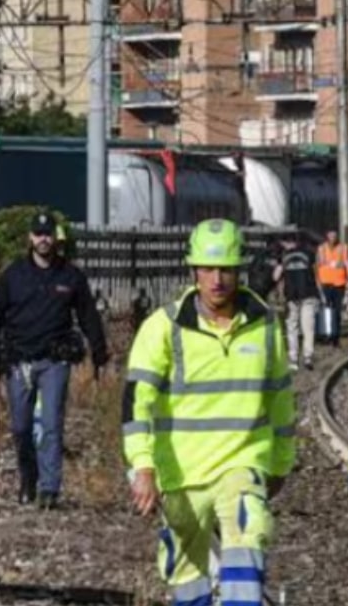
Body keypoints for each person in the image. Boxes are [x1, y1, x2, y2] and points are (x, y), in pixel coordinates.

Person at [123, 218, 294, 606]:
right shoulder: (163, 328)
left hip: (242, 460)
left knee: (247, 532)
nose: (217, 280)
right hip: (181, 471)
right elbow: (136, 402)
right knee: (185, 575)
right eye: (208, 269)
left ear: (240, 271)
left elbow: (281, 399)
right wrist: (144, 466)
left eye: (227, 270)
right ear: (193, 271)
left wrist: (281, 462)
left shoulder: (265, 325)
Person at [0, 210, 110, 509]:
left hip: (55, 360)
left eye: (48, 234)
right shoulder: (13, 276)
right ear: (30, 238)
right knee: (22, 428)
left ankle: (50, 489)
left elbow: (88, 315)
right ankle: (29, 478)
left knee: (51, 423)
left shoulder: (70, 276)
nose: (43, 240)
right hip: (18, 362)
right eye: (38, 235)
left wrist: (99, 353)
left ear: (55, 237)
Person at [275, 234, 320, 371]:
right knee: (308, 328)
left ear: (288, 243)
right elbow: (317, 274)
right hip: (308, 294)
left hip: (291, 297)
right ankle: (308, 357)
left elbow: (276, 276)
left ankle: (293, 359)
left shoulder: (283, 257)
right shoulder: (309, 254)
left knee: (292, 328)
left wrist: (280, 293)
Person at [316, 230, 348, 345]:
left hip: (339, 283)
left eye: (335, 236)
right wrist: (317, 282)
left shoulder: (343, 248)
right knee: (325, 309)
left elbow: (347, 263)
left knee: (337, 310)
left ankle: (335, 336)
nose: (332, 238)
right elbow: (317, 265)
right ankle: (325, 334)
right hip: (325, 282)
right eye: (330, 235)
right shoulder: (321, 248)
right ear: (327, 236)